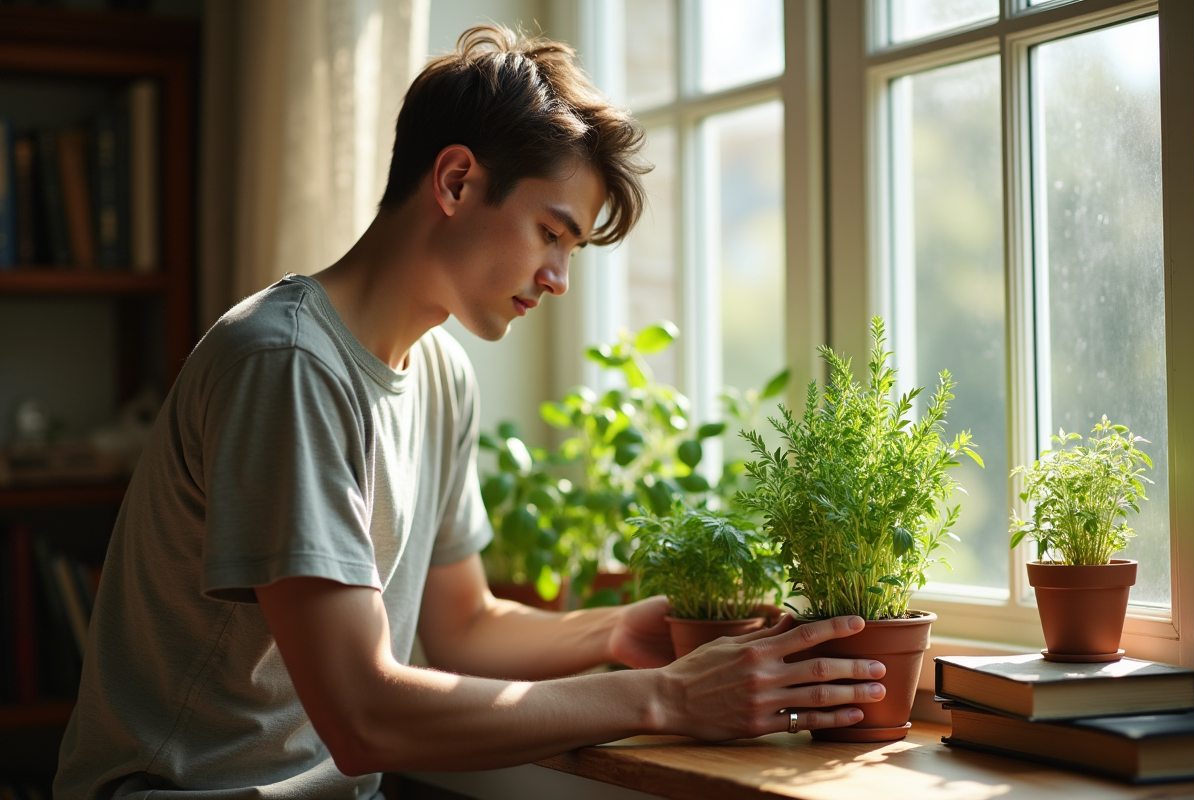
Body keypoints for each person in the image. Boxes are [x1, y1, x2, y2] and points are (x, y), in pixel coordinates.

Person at [54, 25, 887, 800]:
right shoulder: (288, 365)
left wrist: (614, 634)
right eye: (550, 233)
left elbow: (464, 627)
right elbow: (362, 715)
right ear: (456, 181)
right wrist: (664, 698)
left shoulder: (441, 372)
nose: (560, 277)